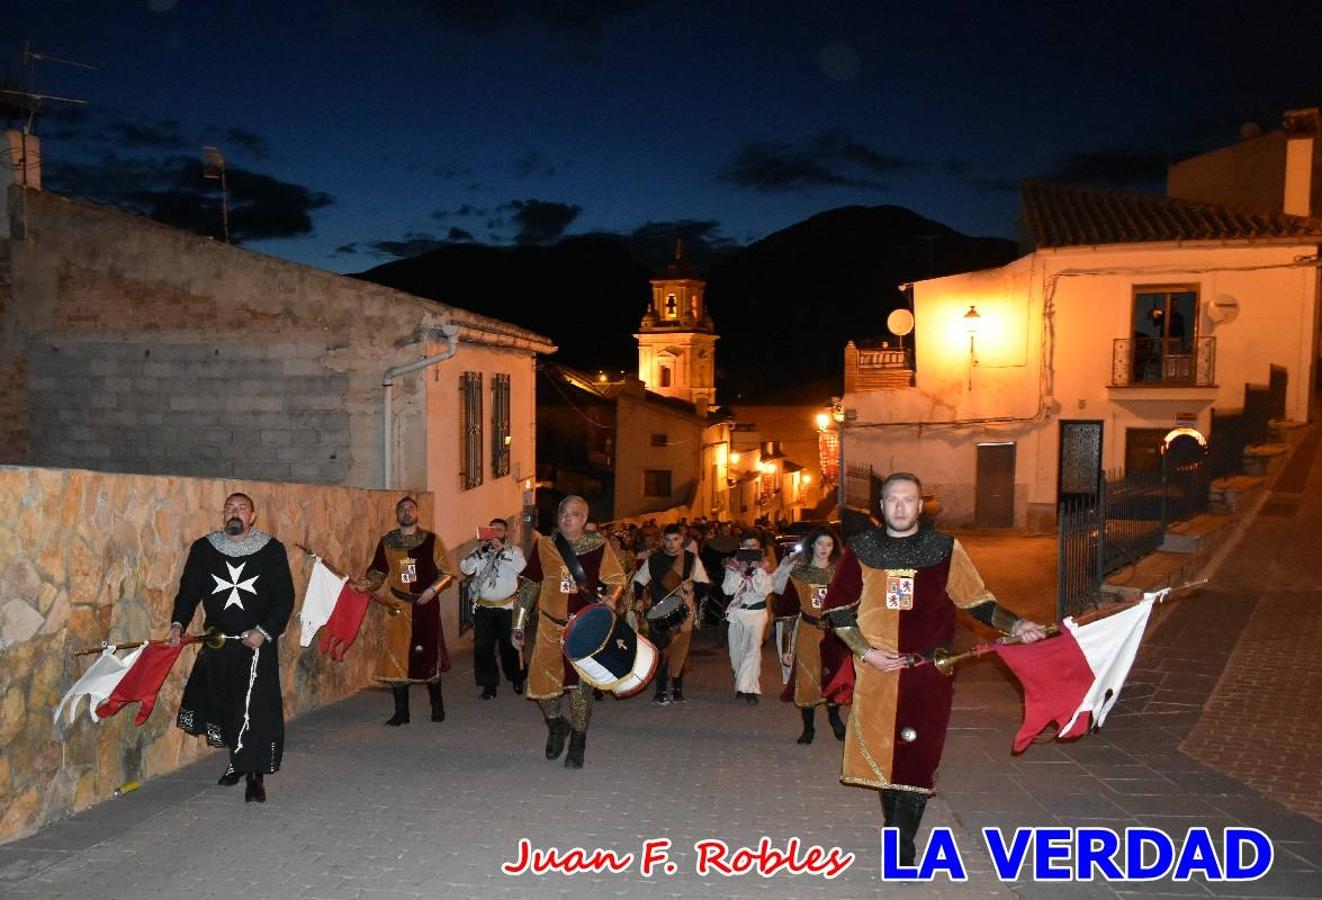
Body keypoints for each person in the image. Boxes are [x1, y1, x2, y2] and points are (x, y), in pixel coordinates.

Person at [820, 473, 1048, 867]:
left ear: (920, 506)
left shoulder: (944, 549)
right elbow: (838, 611)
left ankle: (902, 844)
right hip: (878, 672)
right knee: (886, 755)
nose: (900, 507)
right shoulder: (861, 549)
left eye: (908, 499)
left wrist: (1017, 624)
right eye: (893, 499)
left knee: (918, 757)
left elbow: (977, 602)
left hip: (928, 672)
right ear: (881, 506)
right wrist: (866, 652)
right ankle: (896, 831)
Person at [168, 492, 294, 804]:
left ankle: (255, 776)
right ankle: (237, 762)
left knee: (255, 710)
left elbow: (284, 597)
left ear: (253, 516)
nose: (235, 513)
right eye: (230, 508)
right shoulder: (205, 549)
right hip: (219, 642)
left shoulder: (271, 550)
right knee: (226, 705)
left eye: (242, 508)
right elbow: (189, 591)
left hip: (256, 644)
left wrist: (263, 631)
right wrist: (178, 624)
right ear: (223, 514)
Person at [512, 495, 628, 769]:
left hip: (583, 630)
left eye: (574, 513)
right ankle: (556, 725)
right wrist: (518, 623)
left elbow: (616, 579)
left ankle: (578, 741)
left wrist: (612, 597)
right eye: (563, 512)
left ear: (584, 519)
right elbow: (530, 585)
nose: (566, 517)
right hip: (549, 628)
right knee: (542, 689)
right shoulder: (545, 545)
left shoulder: (598, 546)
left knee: (580, 690)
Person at [354, 496, 455, 726]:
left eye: (410, 508)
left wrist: (432, 590)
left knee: (427, 657)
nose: (406, 511)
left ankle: (437, 707)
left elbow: (447, 572)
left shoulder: (431, 540)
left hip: (425, 606)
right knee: (396, 658)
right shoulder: (388, 542)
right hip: (397, 608)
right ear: (397, 514)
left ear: (417, 513)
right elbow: (378, 571)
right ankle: (401, 713)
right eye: (402, 509)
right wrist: (366, 584)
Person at [771, 526, 850, 744]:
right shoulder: (799, 575)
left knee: (833, 677)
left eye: (829, 544)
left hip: (834, 634)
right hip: (808, 632)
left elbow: (851, 606)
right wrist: (787, 648)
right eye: (820, 543)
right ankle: (808, 728)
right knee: (807, 679)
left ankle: (835, 719)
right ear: (812, 545)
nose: (824, 548)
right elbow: (787, 613)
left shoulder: (840, 574)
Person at [633, 523, 710, 705]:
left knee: (679, 649)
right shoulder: (654, 559)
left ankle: (677, 690)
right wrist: (639, 598)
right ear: (663, 540)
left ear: (681, 539)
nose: (671, 543)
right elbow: (639, 580)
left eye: (675, 539)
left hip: (683, 611)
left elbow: (705, 585)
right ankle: (660, 691)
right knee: (660, 650)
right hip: (659, 610)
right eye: (668, 540)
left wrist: (694, 587)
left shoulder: (691, 559)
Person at [458, 517, 526, 699]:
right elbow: (465, 568)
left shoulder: (514, 551)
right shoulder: (479, 551)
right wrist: (479, 551)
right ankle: (489, 685)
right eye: (492, 530)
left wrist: (502, 550)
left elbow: (521, 567)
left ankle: (516, 677)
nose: (495, 533)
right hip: (484, 608)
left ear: (506, 533)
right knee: (483, 648)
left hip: (507, 608)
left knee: (509, 647)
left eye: (499, 530)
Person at [721, 533, 774, 704]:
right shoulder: (732, 565)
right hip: (737, 613)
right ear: (740, 546)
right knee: (736, 652)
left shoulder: (765, 566)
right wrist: (740, 572)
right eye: (747, 546)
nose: (750, 549)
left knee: (753, 650)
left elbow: (764, 591)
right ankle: (742, 684)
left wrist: (756, 571)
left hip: (757, 614)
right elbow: (728, 590)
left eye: (754, 546)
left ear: (760, 548)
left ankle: (749, 689)